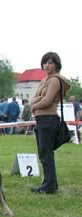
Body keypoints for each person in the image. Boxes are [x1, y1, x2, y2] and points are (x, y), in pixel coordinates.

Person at [30, 52, 69, 194]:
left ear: (57, 65)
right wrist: (37, 100)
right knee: (44, 153)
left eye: (50, 62)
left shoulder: (54, 80)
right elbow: (34, 98)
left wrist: (34, 105)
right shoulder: (45, 80)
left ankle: (49, 186)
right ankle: (50, 183)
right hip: (42, 120)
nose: (47, 65)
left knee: (46, 154)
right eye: (45, 62)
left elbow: (46, 101)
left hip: (48, 119)